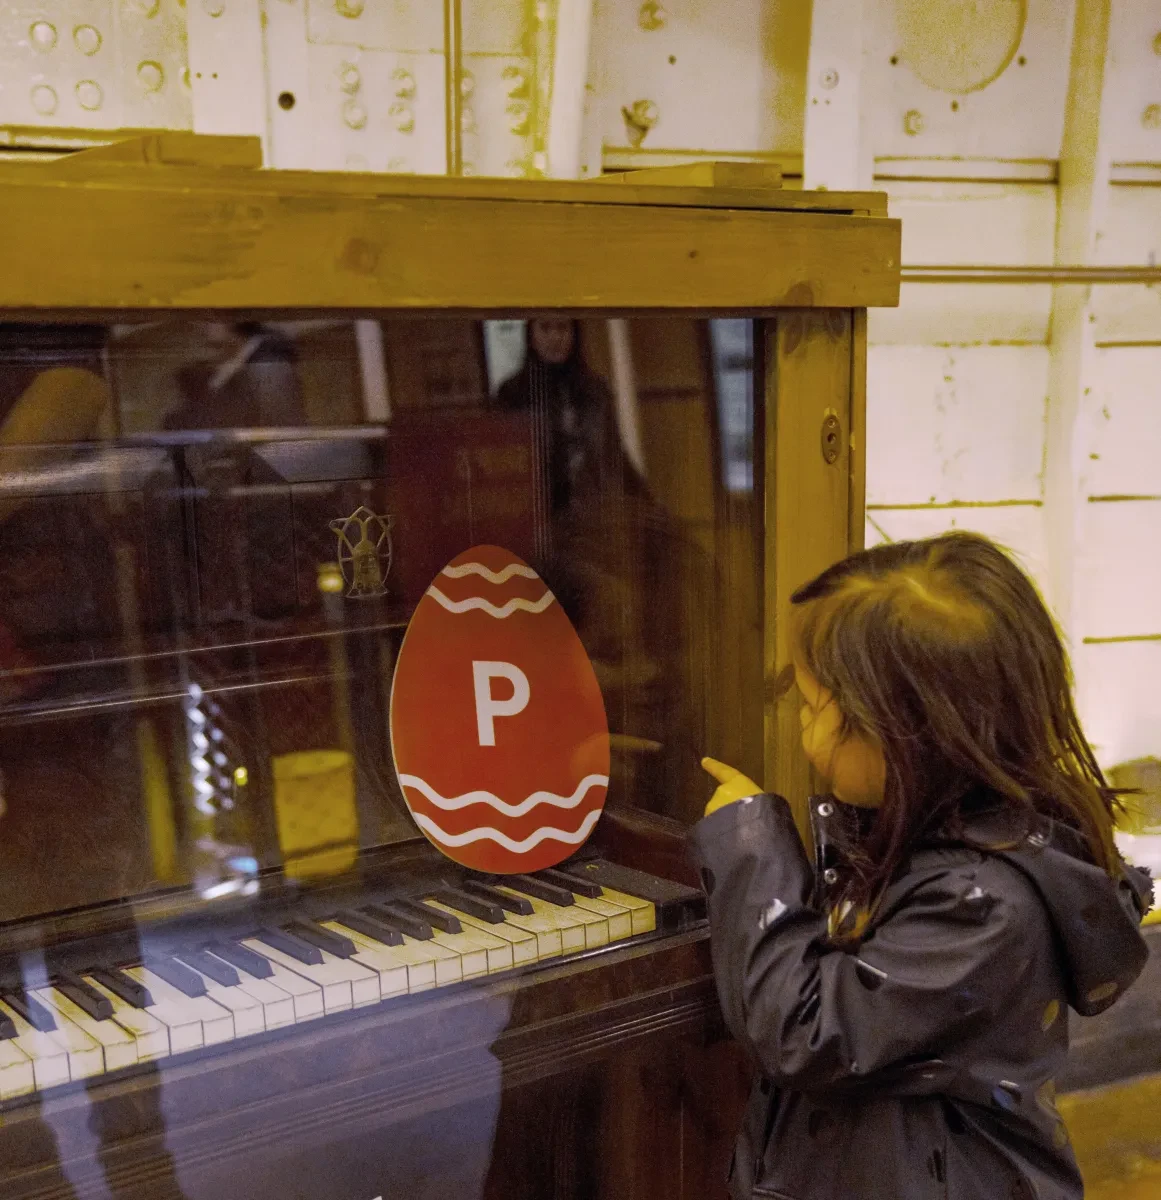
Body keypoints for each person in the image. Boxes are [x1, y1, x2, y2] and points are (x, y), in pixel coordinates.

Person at [694, 532, 1152, 1200]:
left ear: (903, 737)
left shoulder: (982, 905)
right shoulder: (929, 836)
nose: (802, 729)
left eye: (816, 707)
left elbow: (805, 1030)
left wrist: (750, 847)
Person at [165, 320, 304, 431]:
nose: (199, 324)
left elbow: (281, 432)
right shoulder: (224, 364)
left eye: (210, 316)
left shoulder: (268, 366)